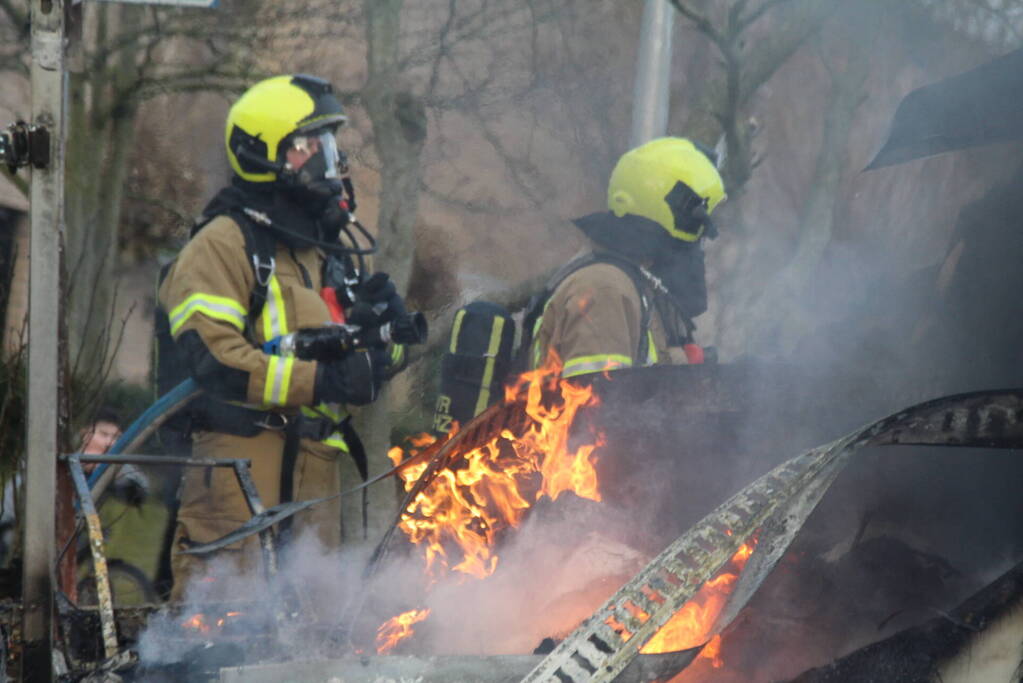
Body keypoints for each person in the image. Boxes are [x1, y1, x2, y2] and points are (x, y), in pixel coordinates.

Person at [158, 74, 406, 600]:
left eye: (329, 146)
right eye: (307, 148)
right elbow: (217, 361)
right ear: (261, 154)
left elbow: (356, 370)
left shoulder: (320, 252)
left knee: (310, 648)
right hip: (241, 472)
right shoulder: (222, 244)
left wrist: (387, 336)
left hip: (317, 477)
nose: (328, 163)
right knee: (223, 637)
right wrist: (323, 378)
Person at [526, 137, 726, 378]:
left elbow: (638, 382)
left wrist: (688, 365)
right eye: (696, 229)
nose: (698, 244)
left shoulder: (635, 286)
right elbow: (599, 402)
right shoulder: (604, 289)